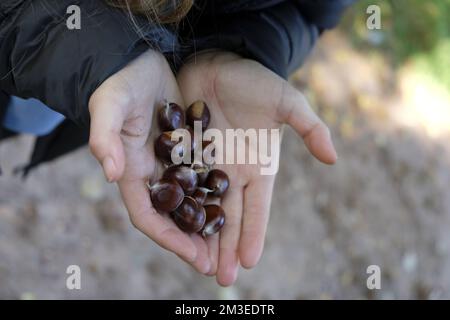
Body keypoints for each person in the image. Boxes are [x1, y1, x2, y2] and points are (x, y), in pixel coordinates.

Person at [0, 0, 355, 286]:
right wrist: (88, 52)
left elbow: (306, 12)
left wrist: (247, 50)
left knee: (35, 117)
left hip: (98, 77)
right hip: (49, 48)